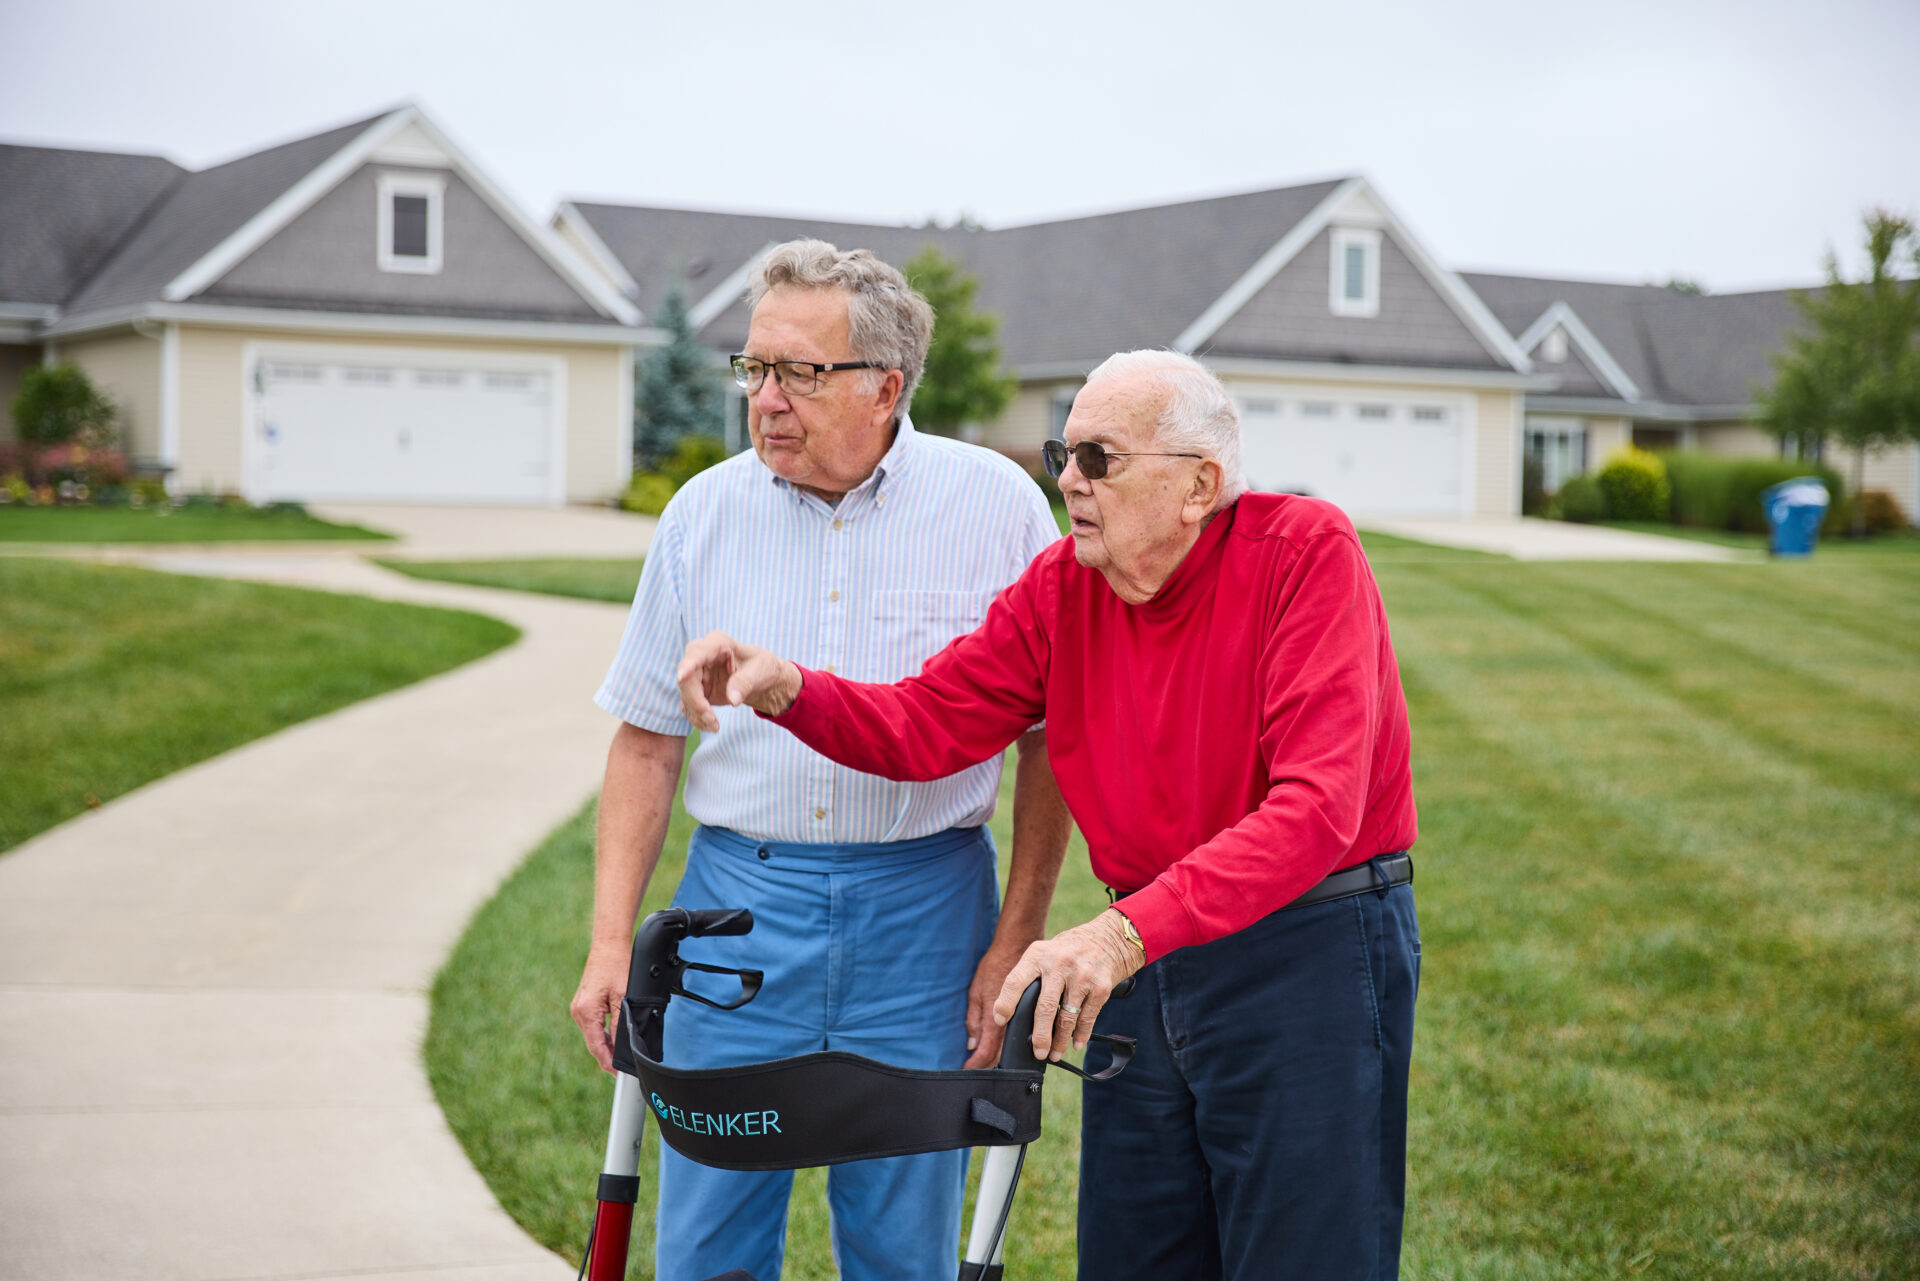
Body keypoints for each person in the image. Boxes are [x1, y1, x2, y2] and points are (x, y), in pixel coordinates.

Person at [677, 349, 1422, 1281]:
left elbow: (1315, 812)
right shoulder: (1065, 587)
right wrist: (791, 687)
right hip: (1144, 952)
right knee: (1132, 1253)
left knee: (1304, 1257)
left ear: (1199, 485)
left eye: (1098, 457)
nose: (1068, 478)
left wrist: (1116, 938)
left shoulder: (1303, 553)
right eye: (1061, 452)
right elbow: (929, 722)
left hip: (1302, 950)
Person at [571, 239, 1070, 1281]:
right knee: (707, 1244)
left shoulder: (999, 508)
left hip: (927, 915)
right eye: (755, 369)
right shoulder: (701, 514)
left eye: (801, 372)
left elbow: (1048, 743)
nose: (766, 399)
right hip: (736, 920)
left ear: (885, 387)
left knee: (902, 1246)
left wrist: (1013, 936)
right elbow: (648, 740)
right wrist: (610, 941)